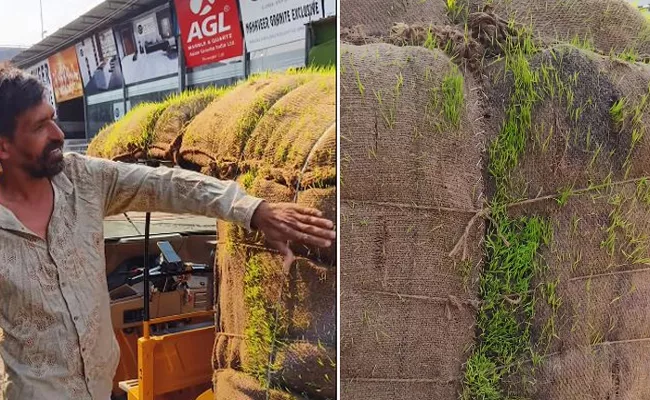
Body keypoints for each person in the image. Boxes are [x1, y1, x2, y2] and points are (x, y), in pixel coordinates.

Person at [0, 65, 336, 400]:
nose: (58, 133)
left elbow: (165, 184)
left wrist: (254, 210)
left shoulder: (82, 179)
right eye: (40, 126)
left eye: (53, 119)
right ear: (4, 147)